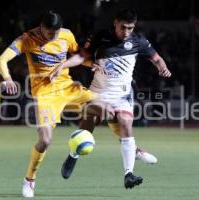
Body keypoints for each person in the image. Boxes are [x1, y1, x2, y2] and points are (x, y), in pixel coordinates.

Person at [49, 8, 171, 189]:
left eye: (130, 28)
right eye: (123, 27)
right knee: (88, 128)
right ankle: (73, 155)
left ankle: (128, 174)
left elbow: (157, 58)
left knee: (125, 122)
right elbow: (81, 57)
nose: (127, 32)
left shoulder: (138, 40)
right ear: (115, 23)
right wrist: (62, 66)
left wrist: (163, 68)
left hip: (122, 94)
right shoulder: (100, 36)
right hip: (99, 90)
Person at [0, 11, 107, 198]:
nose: (53, 37)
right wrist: (7, 79)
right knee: (45, 140)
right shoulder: (27, 39)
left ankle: (76, 149)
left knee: (106, 109)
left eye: (56, 33)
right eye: (50, 34)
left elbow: (79, 56)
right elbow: (2, 60)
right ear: (41, 27)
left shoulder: (66, 34)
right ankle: (29, 179)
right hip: (45, 94)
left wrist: (92, 65)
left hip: (68, 87)